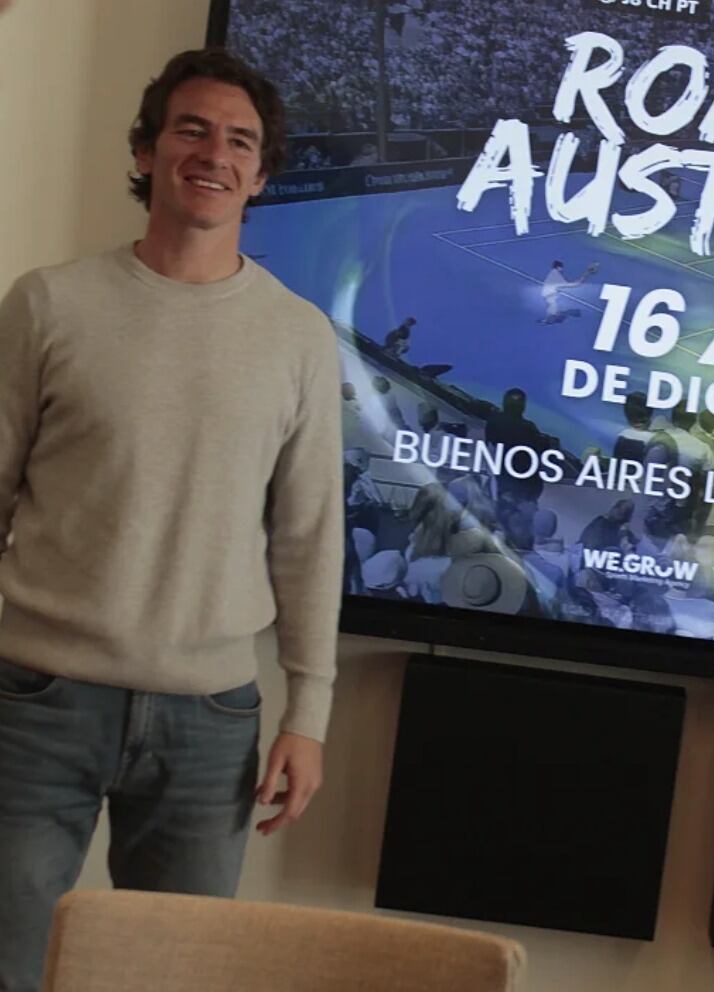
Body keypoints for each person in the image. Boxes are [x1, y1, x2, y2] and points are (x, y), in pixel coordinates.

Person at [0, 49, 343, 992]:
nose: (214, 153)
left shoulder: (299, 336)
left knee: (170, 980)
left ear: (262, 174)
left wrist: (307, 714)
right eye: (191, 129)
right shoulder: (48, 304)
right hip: (36, 704)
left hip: (210, 722)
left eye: (241, 141)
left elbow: (310, 539)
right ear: (148, 151)